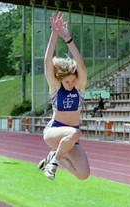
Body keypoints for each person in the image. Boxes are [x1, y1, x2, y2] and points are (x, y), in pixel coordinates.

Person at [37, 12, 90, 181]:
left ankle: (54, 156)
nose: (71, 84)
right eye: (67, 81)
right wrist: (54, 33)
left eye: (74, 80)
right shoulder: (55, 88)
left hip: (71, 138)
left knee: (83, 174)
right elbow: (47, 61)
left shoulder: (79, 88)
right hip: (54, 132)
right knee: (76, 133)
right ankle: (54, 163)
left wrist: (68, 39)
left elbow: (80, 63)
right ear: (60, 79)